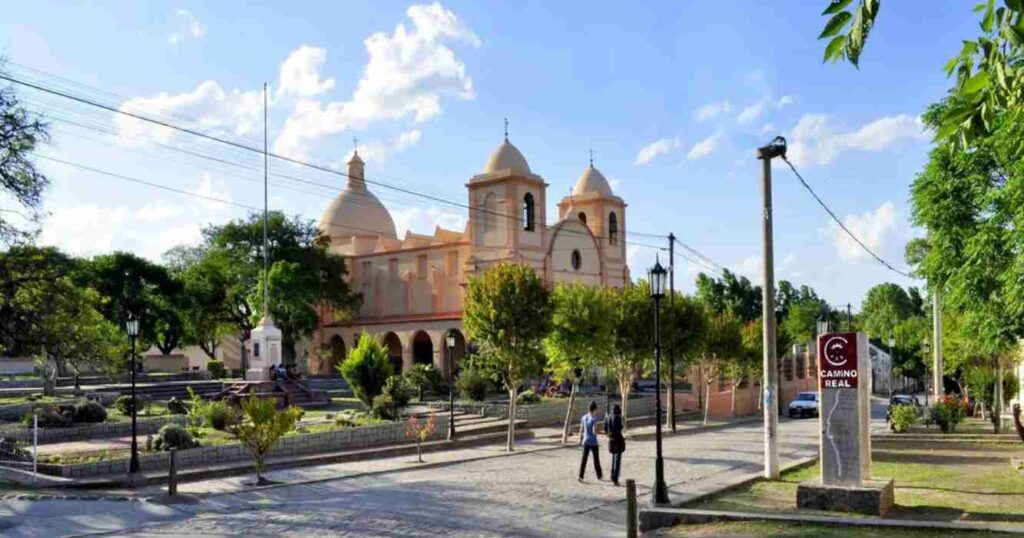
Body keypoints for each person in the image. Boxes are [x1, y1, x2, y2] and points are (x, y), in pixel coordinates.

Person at [578, 401, 603, 482]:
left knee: (584, 459)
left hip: (585, 440)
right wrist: (600, 431)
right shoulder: (594, 419)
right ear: (594, 410)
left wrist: (580, 440)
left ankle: (580, 475)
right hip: (593, 441)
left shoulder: (584, 417)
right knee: (596, 460)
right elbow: (594, 431)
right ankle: (599, 476)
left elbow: (581, 429)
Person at [604, 404, 626, 486]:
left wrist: (609, 435)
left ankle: (612, 475)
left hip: (611, 440)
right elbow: (620, 428)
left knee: (613, 458)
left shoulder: (608, 417)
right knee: (617, 460)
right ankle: (615, 478)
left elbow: (605, 428)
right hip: (618, 440)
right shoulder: (617, 418)